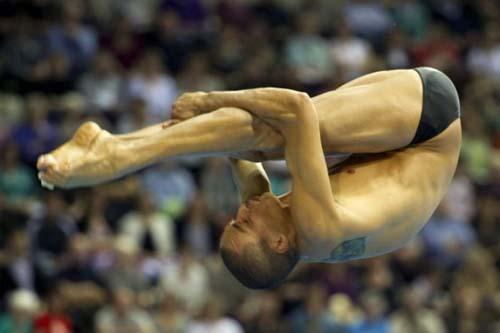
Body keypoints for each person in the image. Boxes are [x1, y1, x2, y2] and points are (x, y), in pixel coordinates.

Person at [37, 67, 461, 289]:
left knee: (253, 142)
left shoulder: (287, 232)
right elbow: (295, 108)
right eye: (243, 222)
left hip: (395, 138)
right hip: (429, 123)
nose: (242, 209)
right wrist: (209, 100)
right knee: (275, 131)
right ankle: (118, 154)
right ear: (277, 242)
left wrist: (207, 134)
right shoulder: (317, 226)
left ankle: (115, 146)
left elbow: (238, 156)